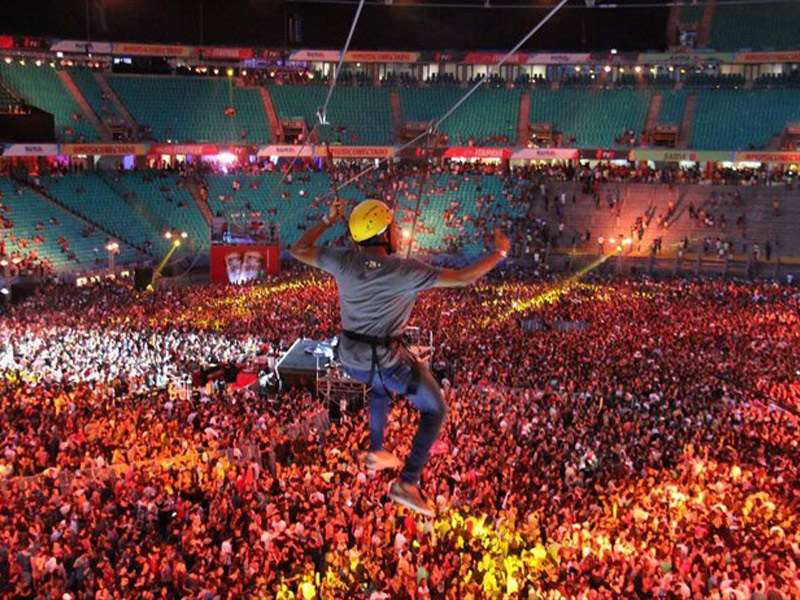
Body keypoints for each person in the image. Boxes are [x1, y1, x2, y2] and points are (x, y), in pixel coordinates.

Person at [291, 198, 509, 515]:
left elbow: (299, 250)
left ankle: (377, 451)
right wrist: (499, 253)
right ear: (383, 232)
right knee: (435, 409)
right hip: (383, 358)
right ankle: (408, 484)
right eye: (392, 226)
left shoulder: (344, 261)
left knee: (380, 386)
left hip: (350, 358)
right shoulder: (406, 270)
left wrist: (327, 219)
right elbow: (463, 278)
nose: (397, 231)